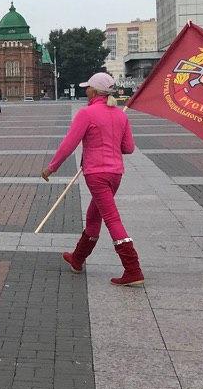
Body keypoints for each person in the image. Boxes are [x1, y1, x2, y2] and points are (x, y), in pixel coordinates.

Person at [41, 71, 141, 286]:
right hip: (115, 174)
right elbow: (128, 148)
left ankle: (133, 269)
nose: (85, 90)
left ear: (95, 91)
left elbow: (69, 144)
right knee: (94, 216)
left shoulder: (87, 114)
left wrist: (52, 168)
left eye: (88, 88)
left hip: (96, 174)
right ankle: (77, 259)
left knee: (112, 219)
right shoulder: (121, 115)